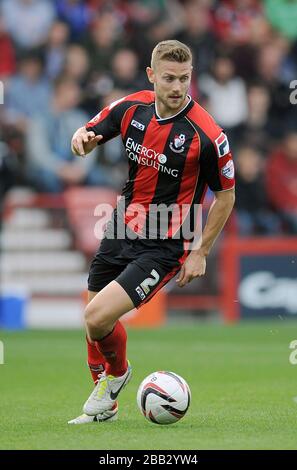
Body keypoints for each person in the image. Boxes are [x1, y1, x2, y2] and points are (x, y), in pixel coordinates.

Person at [68, 40, 235, 424]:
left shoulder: (207, 135)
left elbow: (226, 197)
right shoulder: (131, 108)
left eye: (185, 79)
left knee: (96, 318)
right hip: (122, 224)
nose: (178, 87)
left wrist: (200, 252)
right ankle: (105, 406)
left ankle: (119, 376)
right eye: (169, 79)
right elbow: (90, 130)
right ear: (151, 76)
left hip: (165, 244)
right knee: (94, 324)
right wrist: (81, 140)